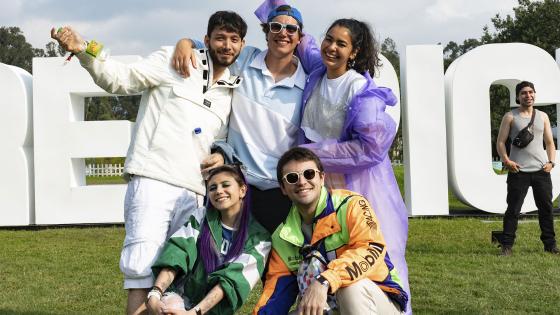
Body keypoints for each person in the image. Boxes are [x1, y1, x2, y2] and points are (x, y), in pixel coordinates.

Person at [51, 12, 247, 314]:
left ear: (242, 45)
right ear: (206, 40)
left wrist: (220, 154)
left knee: (177, 275)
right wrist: (84, 48)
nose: (227, 44)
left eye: (234, 39)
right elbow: (120, 77)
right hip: (152, 180)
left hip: (194, 192)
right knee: (141, 269)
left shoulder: (232, 89)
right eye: (220, 37)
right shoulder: (175, 58)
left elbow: (219, 138)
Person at [289, 16, 411, 310]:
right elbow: (302, 40)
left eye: (341, 44)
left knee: (367, 254)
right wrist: (283, 16)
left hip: (357, 185)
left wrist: (312, 154)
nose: (331, 47)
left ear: (354, 52)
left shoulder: (360, 90)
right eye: (329, 39)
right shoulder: (318, 73)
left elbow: (371, 148)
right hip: (316, 187)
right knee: (318, 259)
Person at [173, 4, 310, 234]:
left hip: (278, 190)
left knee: (271, 263)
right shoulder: (245, 58)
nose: (282, 33)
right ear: (266, 32)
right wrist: (185, 43)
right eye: (275, 26)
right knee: (223, 259)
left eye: (290, 29)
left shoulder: (306, 85)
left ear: (299, 38)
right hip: (235, 183)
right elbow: (213, 47)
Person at [253, 147, 407, 314]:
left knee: (351, 288)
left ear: (322, 178)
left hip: (377, 297)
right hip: (328, 306)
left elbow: (370, 249)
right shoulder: (282, 235)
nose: (302, 182)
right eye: (292, 178)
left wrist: (325, 280)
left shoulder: (352, 204)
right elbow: (276, 291)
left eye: (309, 174)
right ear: (283, 188)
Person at [146, 165, 271, 315]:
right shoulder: (201, 217)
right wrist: (155, 294)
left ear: (242, 190)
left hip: (211, 310)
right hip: (178, 297)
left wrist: (194, 313)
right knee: (171, 308)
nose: (218, 191)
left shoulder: (259, 239)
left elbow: (231, 282)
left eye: (225, 185)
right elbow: (177, 253)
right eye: (212, 188)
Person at [496, 81, 558, 256]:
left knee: (546, 210)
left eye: (531, 92)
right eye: (524, 93)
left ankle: (550, 245)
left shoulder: (543, 116)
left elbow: (549, 142)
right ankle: (506, 246)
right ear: (517, 96)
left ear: (535, 94)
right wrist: (506, 160)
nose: (528, 95)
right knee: (513, 210)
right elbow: (500, 142)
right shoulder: (510, 117)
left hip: (541, 171)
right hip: (518, 171)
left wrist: (551, 162)